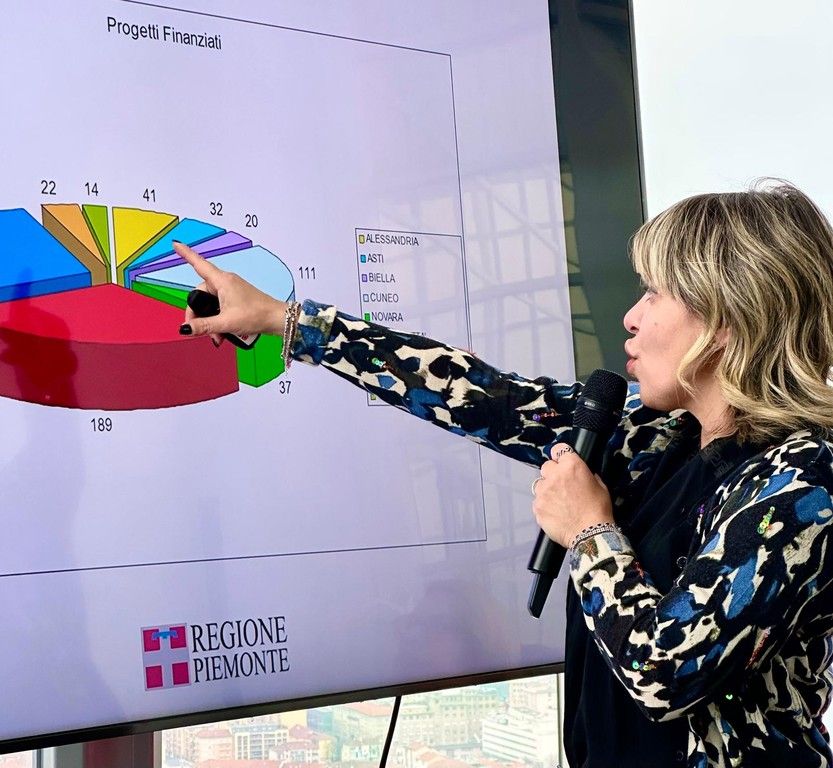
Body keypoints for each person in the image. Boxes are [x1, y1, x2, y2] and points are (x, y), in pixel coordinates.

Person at [174, 181, 833, 768]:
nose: (631, 316)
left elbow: (667, 671)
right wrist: (285, 321)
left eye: (655, 293)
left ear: (724, 320)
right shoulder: (656, 436)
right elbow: (483, 398)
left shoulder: (804, 484)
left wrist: (591, 532)